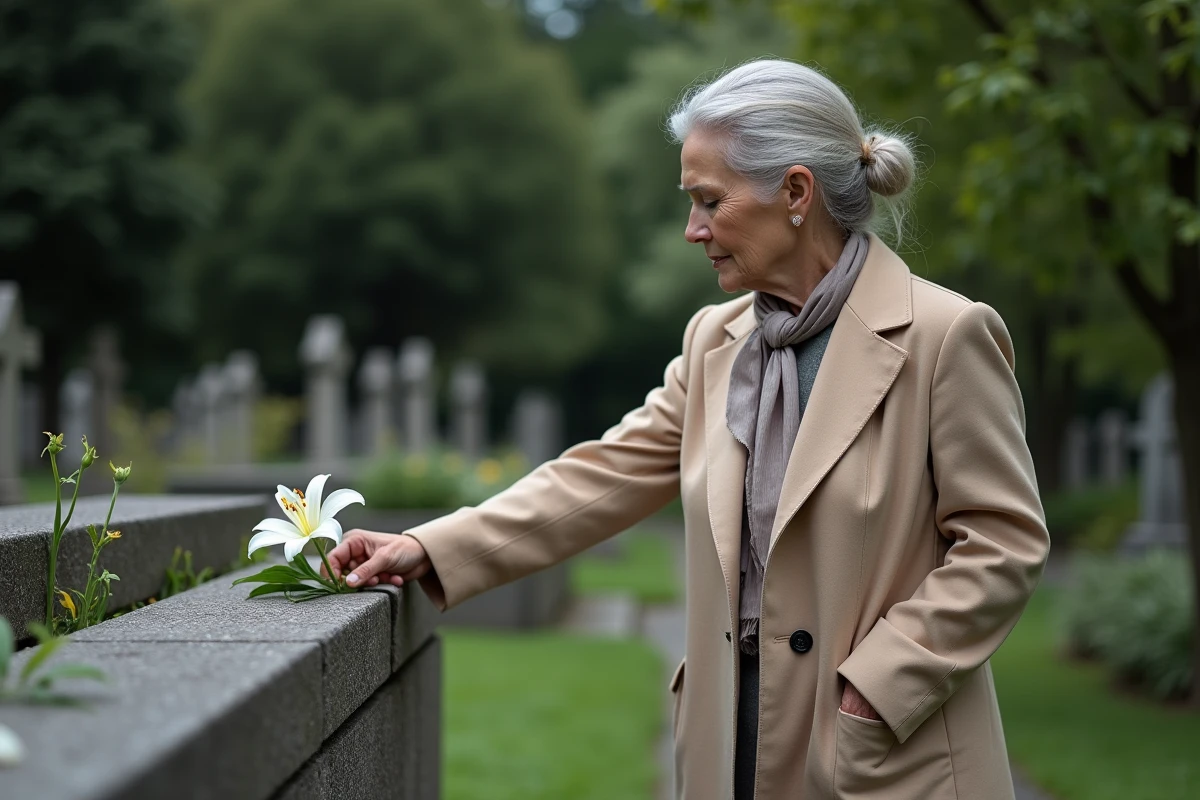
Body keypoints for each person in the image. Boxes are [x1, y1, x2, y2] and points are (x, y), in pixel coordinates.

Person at [326, 58, 1050, 800]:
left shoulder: (945, 335)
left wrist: (879, 685)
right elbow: (605, 473)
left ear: (795, 192)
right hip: (730, 746)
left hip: (887, 759)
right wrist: (429, 545)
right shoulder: (716, 340)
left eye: (708, 201)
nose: (691, 229)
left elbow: (1003, 542)